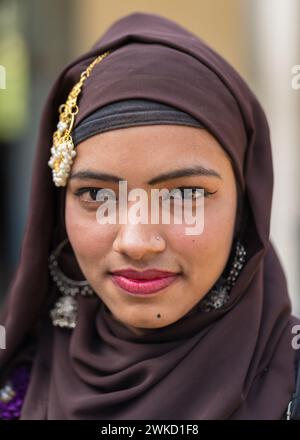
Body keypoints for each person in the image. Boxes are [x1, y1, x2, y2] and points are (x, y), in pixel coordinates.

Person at [0, 11, 299, 420]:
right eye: (95, 194)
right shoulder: (16, 382)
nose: (137, 242)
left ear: (245, 209)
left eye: (184, 194)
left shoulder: (288, 381)